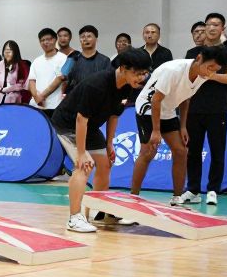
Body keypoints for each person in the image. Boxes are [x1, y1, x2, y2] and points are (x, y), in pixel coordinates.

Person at [52, 48, 152, 233]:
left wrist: (109, 143)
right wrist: (81, 153)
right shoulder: (96, 85)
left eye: (144, 74)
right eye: (137, 73)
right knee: (85, 165)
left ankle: (102, 211)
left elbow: (114, 115)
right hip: (68, 124)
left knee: (105, 163)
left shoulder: (128, 86)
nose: (141, 78)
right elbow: (81, 119)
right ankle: (74, 218)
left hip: (90, 126)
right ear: (123, 68)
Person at [132, 48, 226, 203]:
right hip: (148, 107)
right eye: (209, 68)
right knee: (148, 151)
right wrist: (156, 131)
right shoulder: (173, 70)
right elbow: (155, 100)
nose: (210, 74)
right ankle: (133, 197)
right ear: (199, 58)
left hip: (167, 109)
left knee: (181, 151)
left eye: (214, 71)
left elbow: (186, 98)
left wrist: (183, 126)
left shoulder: (203, 75)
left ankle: (176, 197)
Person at [183, 13, 227, 205]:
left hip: (218, 108)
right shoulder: (193, 53)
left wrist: (207, 74)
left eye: (216, 24)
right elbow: (188, 77)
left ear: (222, 28)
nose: (212, 28)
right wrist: (210, 73)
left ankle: (213, 189)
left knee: (217, 150)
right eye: (209, 25)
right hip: (194, 108)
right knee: (193, 151)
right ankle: (193, 189)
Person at [63, 25, 113, 95]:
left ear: (96, 39)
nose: (85, 39)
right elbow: (64, 80)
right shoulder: (72, 59)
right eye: (82, 37)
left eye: (89, 36)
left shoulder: (105, 60)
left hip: (97, 100)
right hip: (75, 100)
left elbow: (109, 83)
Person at [29, 29, 68, 118]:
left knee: (55, 131)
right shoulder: (37, 61)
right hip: (36, 105)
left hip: (55, 105)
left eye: (48, 39)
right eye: (42, 40)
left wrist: (42, 96)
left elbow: (60, 79)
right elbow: (31, 80)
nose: (45, 42)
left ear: (55, 40)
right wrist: (36, 97)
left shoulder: (63, 59)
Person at [0, 40, 30, 105]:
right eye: (5, 50)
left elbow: (24, 85)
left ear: (15, 52)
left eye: (10, 50)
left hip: (14, 101)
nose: (7, 52)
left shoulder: (22, 66)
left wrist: (9, 89)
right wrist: (0, 89)